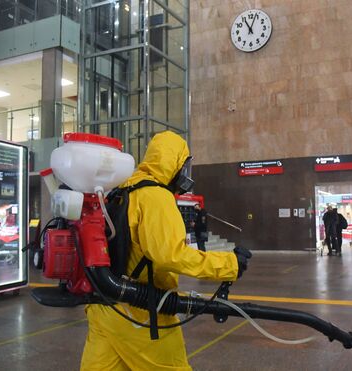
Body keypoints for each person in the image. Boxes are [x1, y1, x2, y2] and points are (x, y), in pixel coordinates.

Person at [81, 131, 252, 371]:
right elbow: (171, 255)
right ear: (174, 164)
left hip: (104, 309)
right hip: (138, 315)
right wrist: (230, 264)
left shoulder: (121, 190)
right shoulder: (155, 197)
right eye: (184, 166)